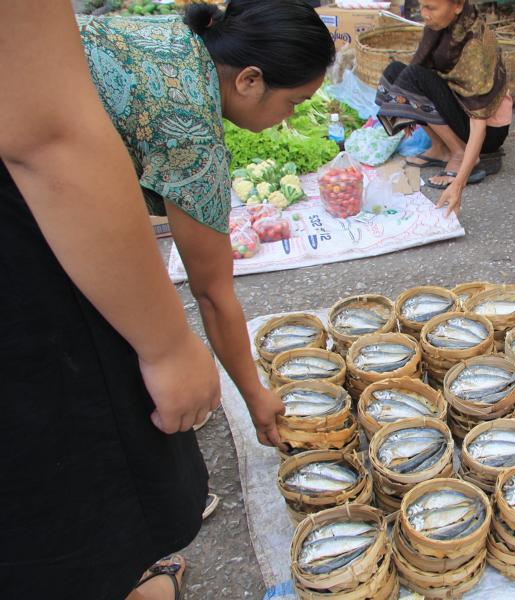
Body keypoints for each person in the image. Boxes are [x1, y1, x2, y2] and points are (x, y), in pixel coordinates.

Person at [0, 1, 334, 598]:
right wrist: (244, 390)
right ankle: (108, 566)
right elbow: (212, 293)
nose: (289, 120)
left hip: (33, 195)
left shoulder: (166, 38)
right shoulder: (191, 121)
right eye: (293, 104)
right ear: (249, 80)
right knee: (86, 415)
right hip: (25, 218)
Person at [375, 0, 511, 215]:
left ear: (457, 6)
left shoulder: (474, 44)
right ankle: (440, 149)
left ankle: (458, 152)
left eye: (431, 8)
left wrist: (459, 184)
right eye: (421, 6)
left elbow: (479, 121)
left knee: (412, 78)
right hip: (458, 110)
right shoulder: (442, 28)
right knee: (395, 73)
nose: (424, 14)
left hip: (487, 131)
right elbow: (418, 69)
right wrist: (406, 109)